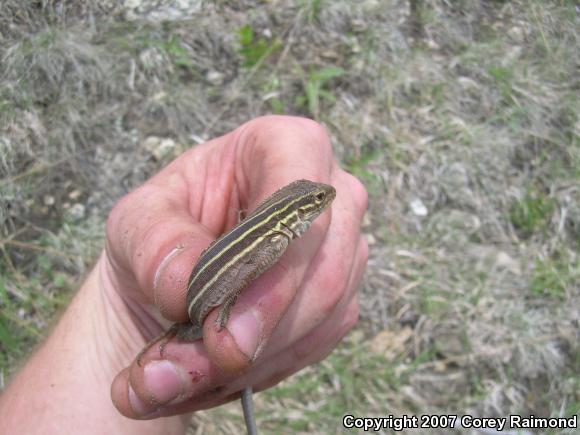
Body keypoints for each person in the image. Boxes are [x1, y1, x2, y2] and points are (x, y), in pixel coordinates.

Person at [0, 116, 369, 434]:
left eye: (319, 200)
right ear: (295, 212)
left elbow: (246, 264)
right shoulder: (271, 241)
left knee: (226, 345)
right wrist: (224, 309)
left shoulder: (270, 233)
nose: (323, 202)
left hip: (195, 304)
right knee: (214, 334)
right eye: (316, 202)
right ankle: (178, 333)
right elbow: (246, 273)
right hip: (196, 308)